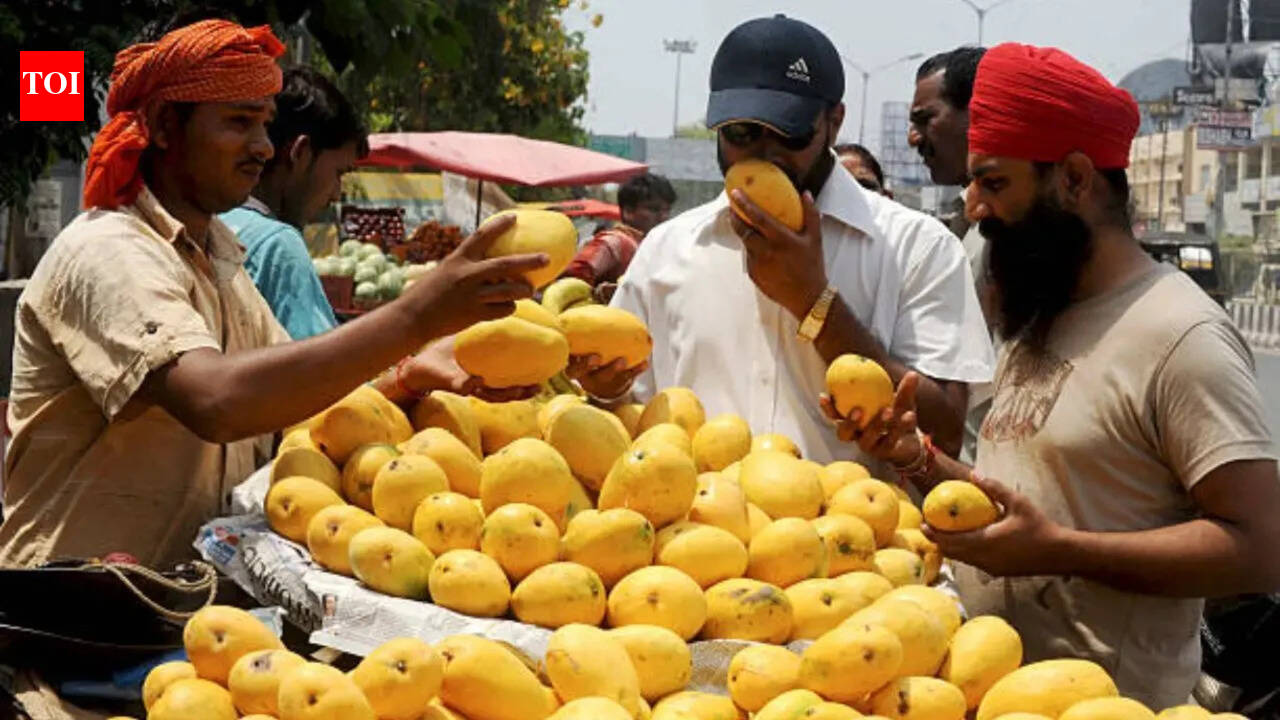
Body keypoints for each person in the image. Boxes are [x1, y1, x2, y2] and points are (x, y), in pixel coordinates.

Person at [0, 20, 544, 572]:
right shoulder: (110, 249)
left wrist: (413, 374)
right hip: (74, 625)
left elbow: (292, 404)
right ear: (166, 126)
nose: (262, 148)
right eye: (239, 123)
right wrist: (414, 316)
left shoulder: (218, 257)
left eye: (264, 124)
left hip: (176, 615)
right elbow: (217, 402)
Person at [833, 43, 1280, 708]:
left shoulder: (1182, 335)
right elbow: (1022, 504)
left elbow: (1260, 547)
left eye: (994, 183)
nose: (975, 208)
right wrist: (917, 460)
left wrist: (1060, 550)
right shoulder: (1032, 311)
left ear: (1074, 179)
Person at [572, 14, 994, 464]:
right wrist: (605, 387)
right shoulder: (667, 249)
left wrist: (815, 304)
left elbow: (946, 429)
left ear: (834, 121)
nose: (765, 153)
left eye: (790, 131)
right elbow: (627, 411)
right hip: (697, 529)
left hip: (853, 529)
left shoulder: (917, 247)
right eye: (741, 133)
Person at [220, 67, 366, 339]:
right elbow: (323, 372)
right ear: (300, 152)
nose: (336, 194)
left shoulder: (211, 221)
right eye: (338, 173)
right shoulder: (277, 245)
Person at [561, 172, 676, 302]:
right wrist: (601, 295)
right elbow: (570, 278)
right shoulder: (614, 241)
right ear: (628, 212)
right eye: (654, 209)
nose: (664, 217)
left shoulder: (653, 244)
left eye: (667, 210)